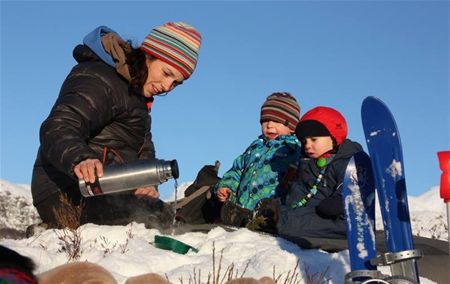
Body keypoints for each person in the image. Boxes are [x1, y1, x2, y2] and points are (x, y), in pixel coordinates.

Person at [30, 22, 202, 230]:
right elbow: (59, 126)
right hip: (64, 190)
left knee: (166, 216)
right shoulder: (100, 78)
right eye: (167, 73)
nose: (167, 87)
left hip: (105, 191)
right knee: (154, 218)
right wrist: (81, 158)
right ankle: (53, 229)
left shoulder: (137, 96)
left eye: (176, 83)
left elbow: (143, 148)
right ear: (149, 55)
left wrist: (146, 183)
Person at [251, 106, 364, 239]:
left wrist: (340, 201)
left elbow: (356, 191)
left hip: (341, 220)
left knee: (295, 224)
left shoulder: (349, 162)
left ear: (333, 137)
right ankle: (253, 217)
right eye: (304, 141)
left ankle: (270, 222)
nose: (307, 145)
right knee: (286, 213)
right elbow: (298, 194)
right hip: (308, 214)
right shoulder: (308, 164)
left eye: (314, 140)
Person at [213, 92, 302, 227]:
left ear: (291, 127)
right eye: (265, 120)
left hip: (269, 211)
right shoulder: (255, 148)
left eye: (277, 121)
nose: (269, 125)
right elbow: (237, 170)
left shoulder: (294, 149)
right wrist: (227, 186)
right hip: (241, 209)